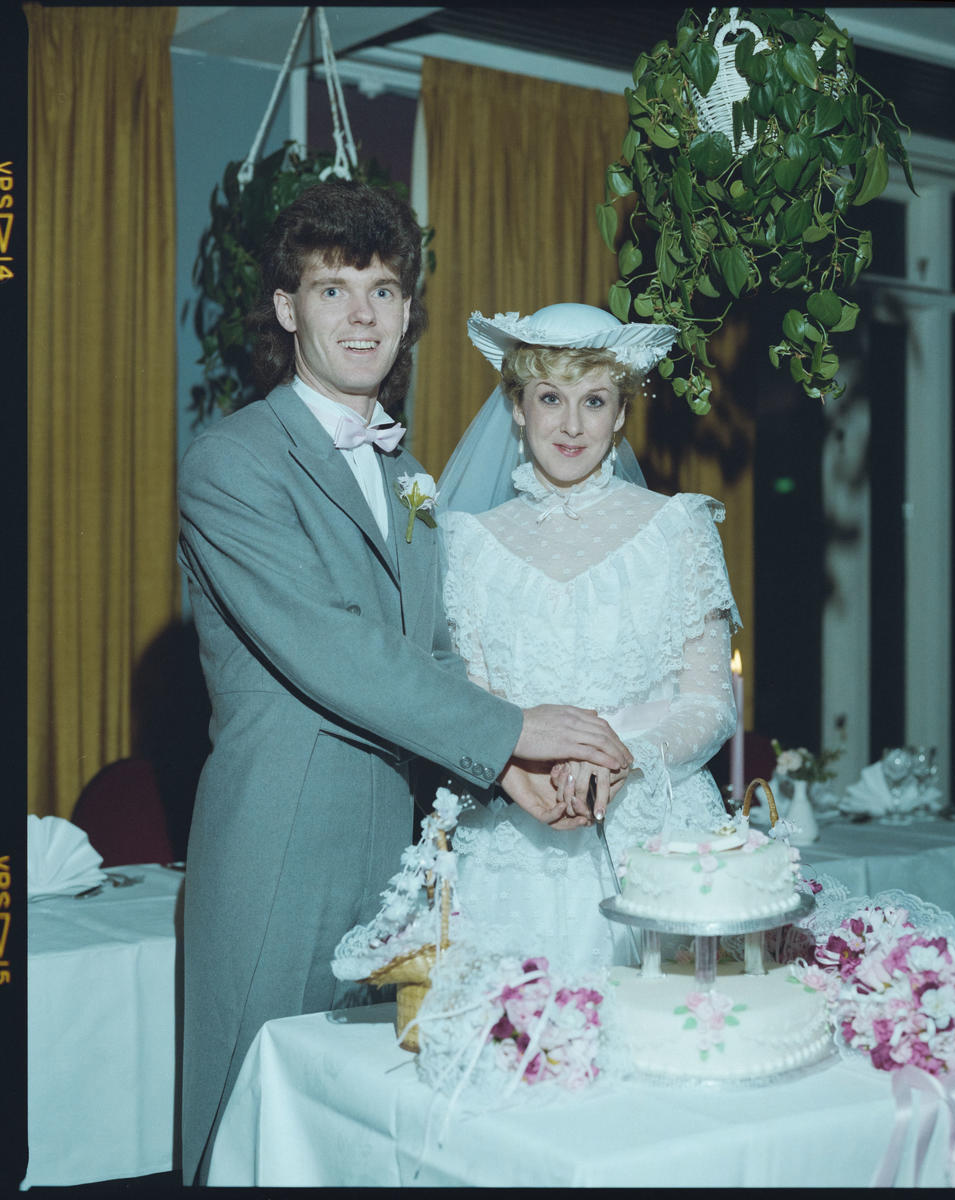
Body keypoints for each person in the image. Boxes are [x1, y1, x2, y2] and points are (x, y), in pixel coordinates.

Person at [176, 185, 631, 1184]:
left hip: (400, 851)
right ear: (287, 308)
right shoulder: (232, 461)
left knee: (355, 1136)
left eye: (382, 291)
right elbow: (335, 650)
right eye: (331, 290)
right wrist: (514, 728)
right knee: (246, 1129)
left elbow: (427, 653)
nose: (362, 317)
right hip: (277, 843)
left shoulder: (408, 478)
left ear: (407, 311)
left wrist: (505, 774)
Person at [439, 302, 742, 972]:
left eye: (594, 401)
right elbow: (469, 701)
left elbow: (710, 705)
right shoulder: (467, 544)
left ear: (621, 413)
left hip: (657, 834)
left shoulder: (679, 528)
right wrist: (517, 768)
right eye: (551, 398)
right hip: (516, 839)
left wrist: (626, 758)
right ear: (517, 408)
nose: (572, 425)